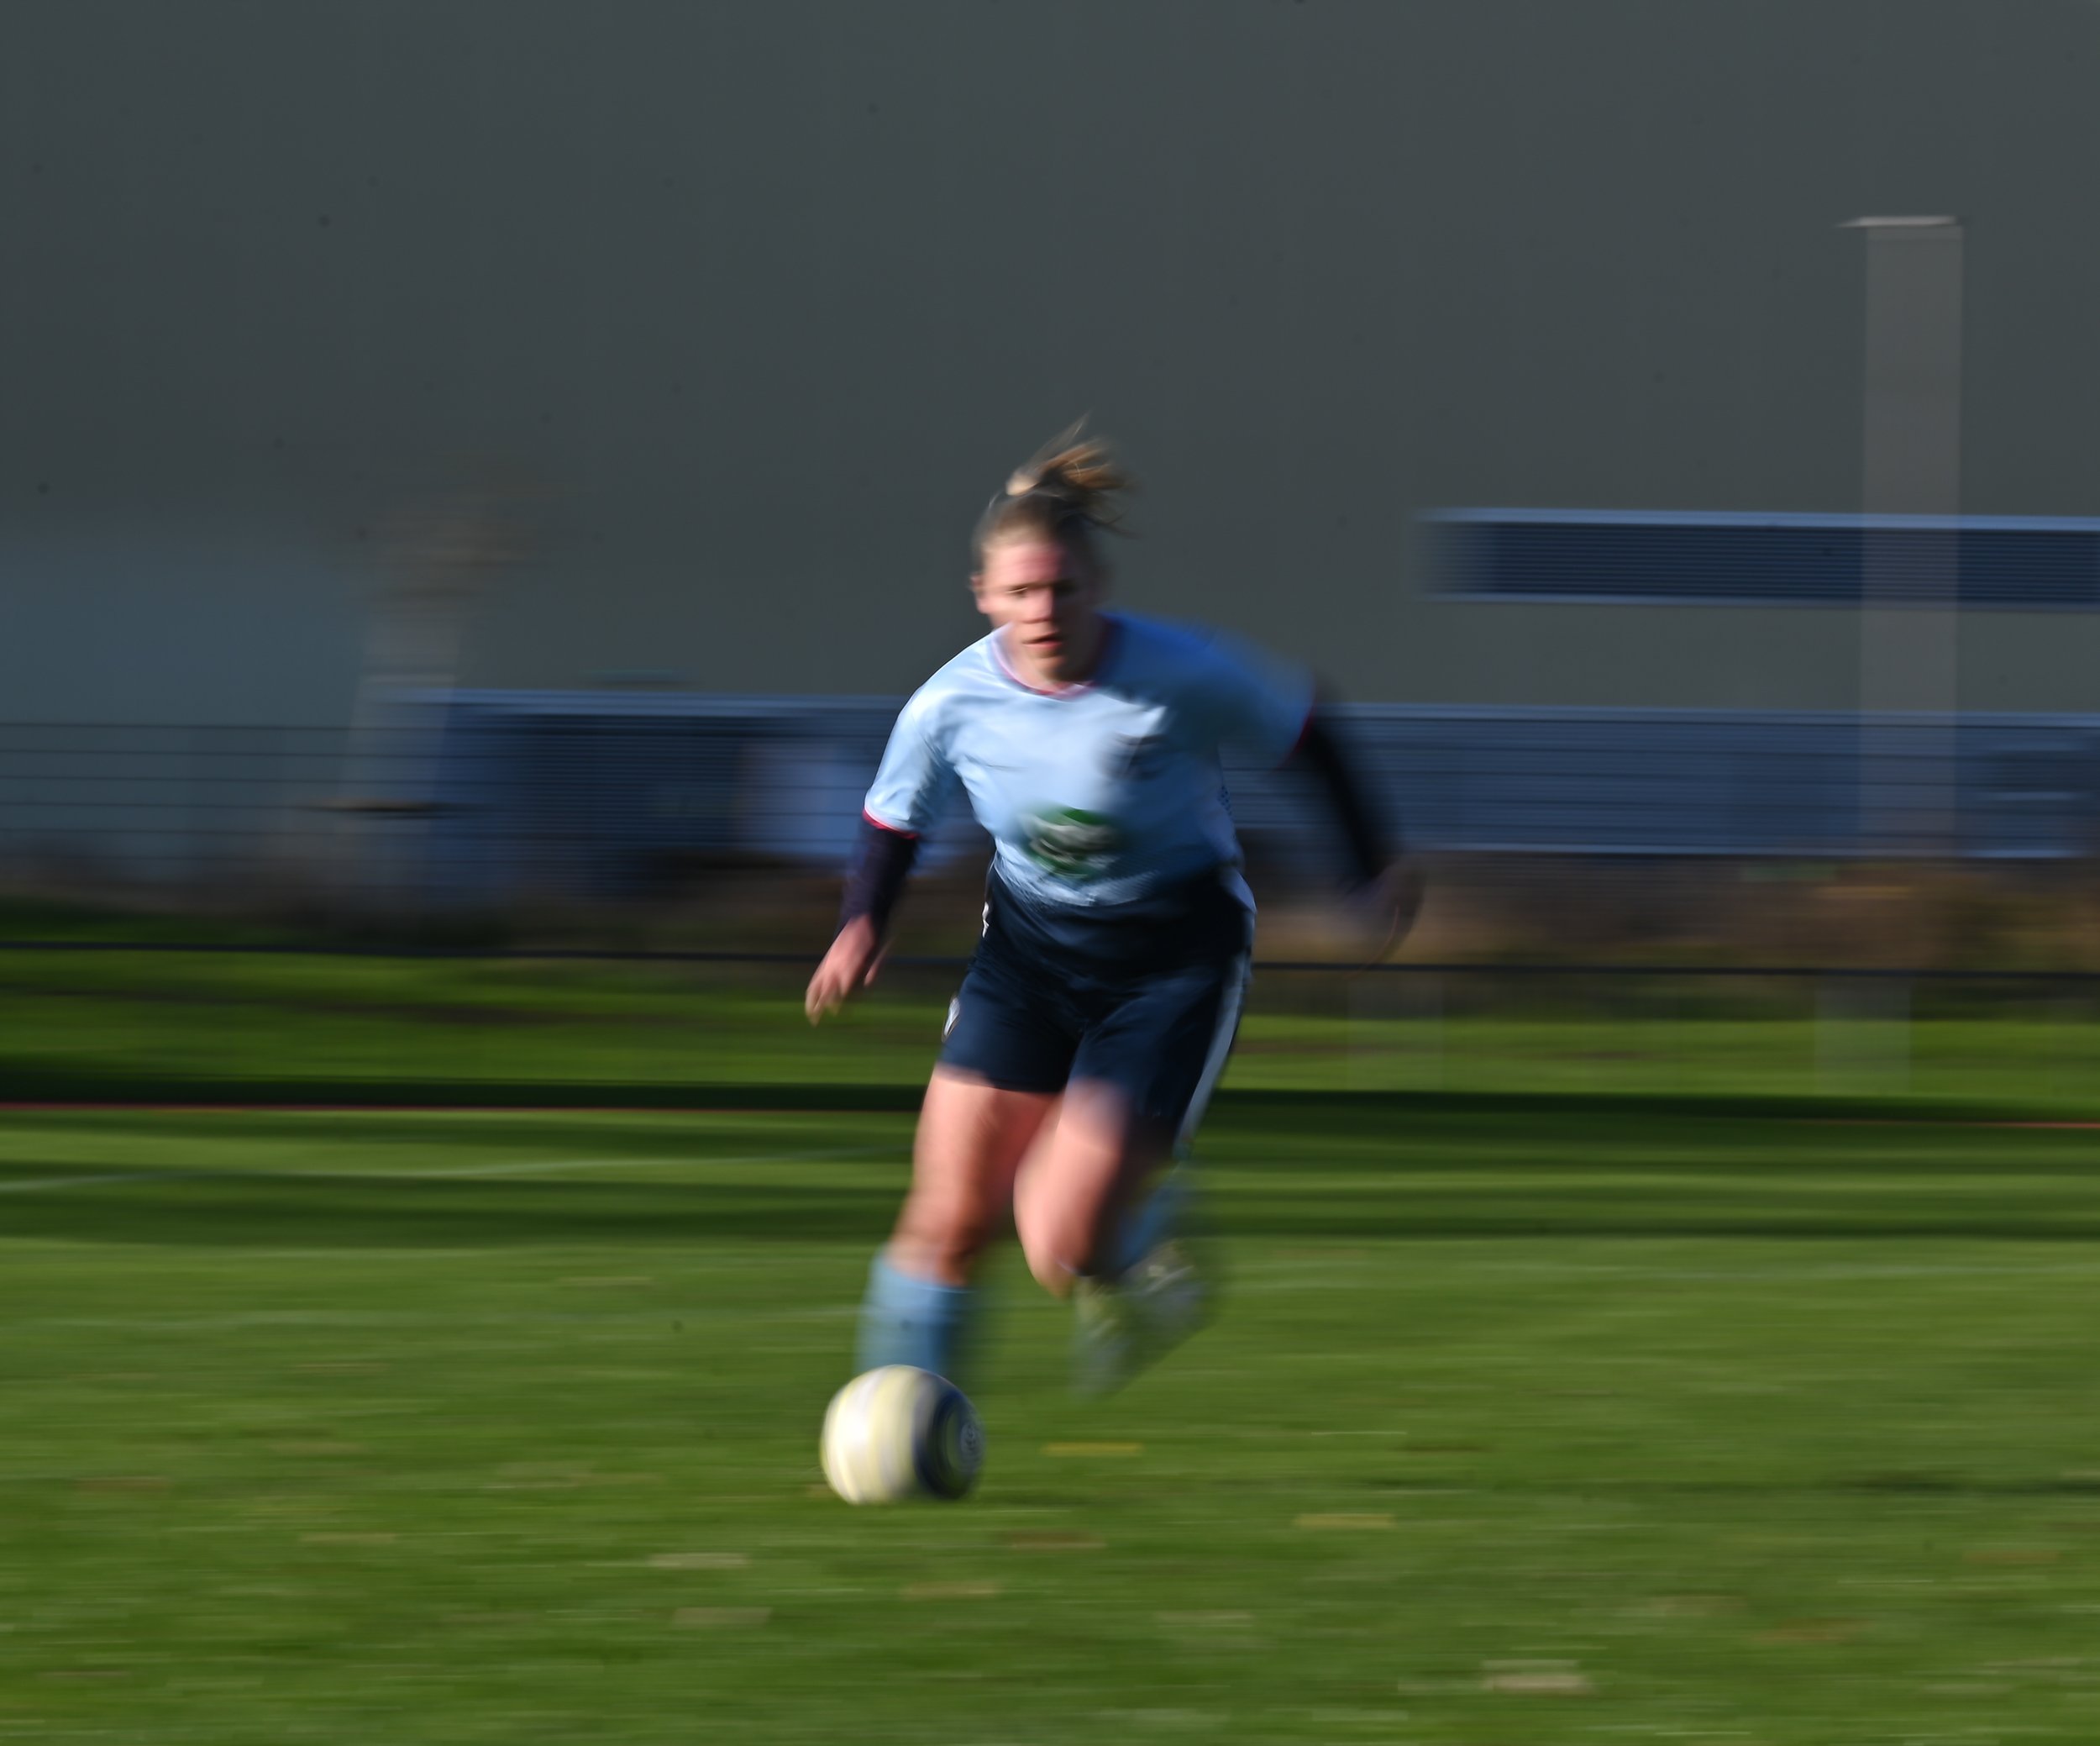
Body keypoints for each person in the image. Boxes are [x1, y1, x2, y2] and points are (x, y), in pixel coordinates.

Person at [806, 428, 1410, 1395]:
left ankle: (1142, 1235)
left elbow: (1307, 729)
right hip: (1028, 959)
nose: (1042, 611)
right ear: (984, 596)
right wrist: (862, 920)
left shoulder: (1183, 672)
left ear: (1097, 587)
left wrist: (1367, 870)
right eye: (1020, 593)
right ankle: (898, 1424)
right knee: (949, 1216)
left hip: (1171, 963)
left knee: (1058, 1243)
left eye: (1062, 589)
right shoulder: (949, 703)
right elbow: (892, 816)